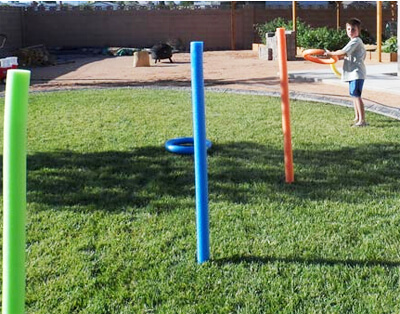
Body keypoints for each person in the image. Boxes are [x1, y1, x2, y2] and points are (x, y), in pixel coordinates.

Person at [326, 18, 367, 127]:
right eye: (348, 29)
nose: (350, 31)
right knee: (353, 95)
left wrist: (331, 53)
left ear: (359, 31)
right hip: (352, 73)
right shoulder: (352, 42)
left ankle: (362, 121)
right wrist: (334, 55)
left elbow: (343, 52)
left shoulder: (356, 41)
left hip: (357, 73)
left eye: (353, 29)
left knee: (356, 95)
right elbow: (343, 54)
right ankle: (357, 117)